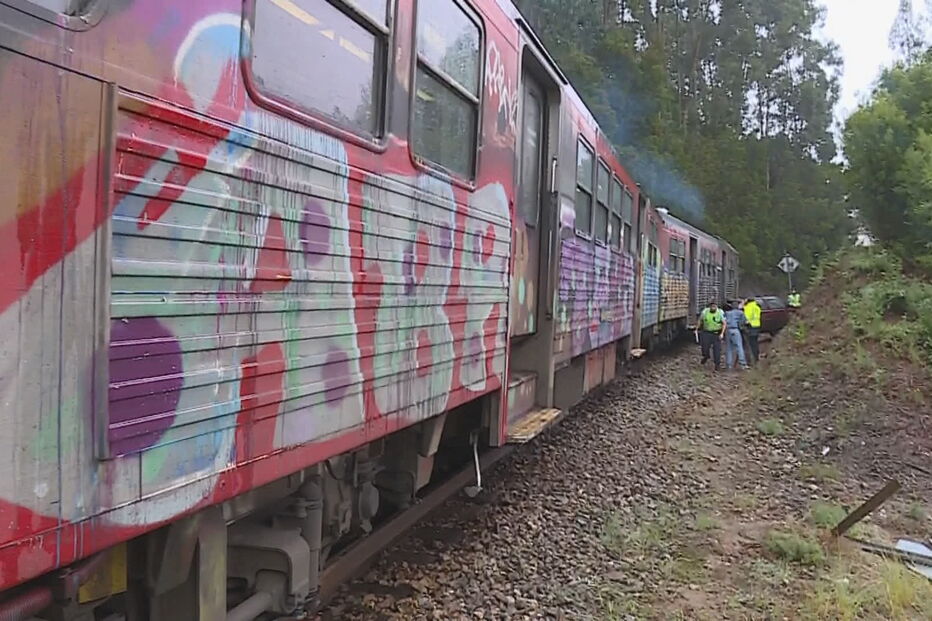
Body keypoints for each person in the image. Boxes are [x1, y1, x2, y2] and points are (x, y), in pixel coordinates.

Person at [695, 300, 725, 370]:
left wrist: (722, 333)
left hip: (716, 333)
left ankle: (717, 365)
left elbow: (724, 323)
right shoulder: (705, 312)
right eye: (712, 306)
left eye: (714, 306)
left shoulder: (720, 312)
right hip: (706, 332)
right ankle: (706, 356)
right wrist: (697, 328)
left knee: (717, 350)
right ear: (710, 306)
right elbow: (700, 320)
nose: (713, 307)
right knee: (704, 347)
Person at [723, 302, 749, 370]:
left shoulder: (727, 313)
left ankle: (729, 365)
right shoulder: (740, 313)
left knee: (729, 348)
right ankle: (743, 364)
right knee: (739, 346)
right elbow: (743, 322)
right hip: (735, 330)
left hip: (727, 330)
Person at [743, 296, 762, 364]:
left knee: (749, 344)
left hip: (750, 326)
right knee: (755, 343)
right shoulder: (757, 307)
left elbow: (746, 318)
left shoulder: (748, 307)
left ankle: (751, 360)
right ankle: (756, 358)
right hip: (757, 325)